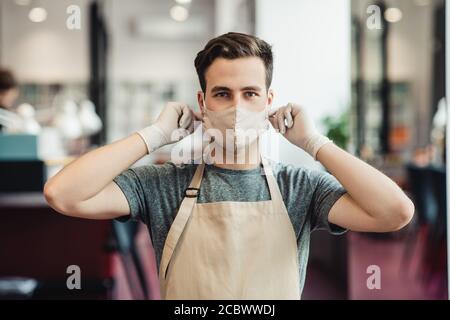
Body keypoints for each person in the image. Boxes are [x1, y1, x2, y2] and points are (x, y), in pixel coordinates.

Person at [44, 32, 414, 300]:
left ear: (269, 101)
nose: (237, 107)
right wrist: (154, 135)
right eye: (223, 94)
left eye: (250, 94)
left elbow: (395, 213)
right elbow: (63, 194)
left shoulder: (300, 186)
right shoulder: (162, 185)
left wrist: (314, 144)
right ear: (202, 103)